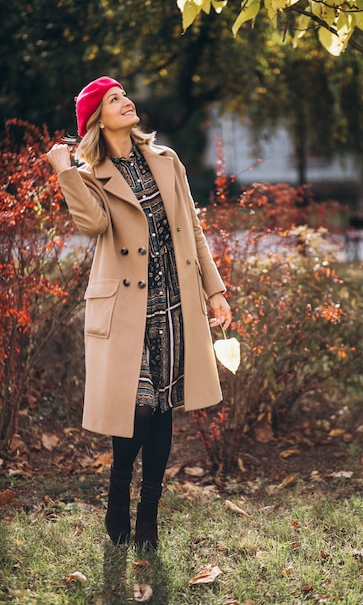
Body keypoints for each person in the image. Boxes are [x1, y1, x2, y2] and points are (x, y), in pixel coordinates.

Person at [47, 76, 232, 549]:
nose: (126, 102)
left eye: (124, 95)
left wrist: (215, 291)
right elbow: (92, 224)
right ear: (96, 119)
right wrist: (66, 171)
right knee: (140, 405)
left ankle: (148, 511)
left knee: (163, 405)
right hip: (129, 307)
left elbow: (192, 226)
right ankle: (118, 486)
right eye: (113, 99)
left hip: (174, 301)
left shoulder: (166, 160)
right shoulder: (91, 175)